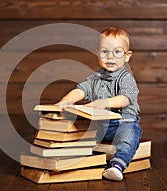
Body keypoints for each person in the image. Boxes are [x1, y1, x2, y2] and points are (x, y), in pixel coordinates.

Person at [56, 26, 142, 181]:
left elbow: (125, 98)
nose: (110, 57)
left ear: (127, 56)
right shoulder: (95, 79)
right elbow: (81, 90)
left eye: (117, 52)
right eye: (104, 52)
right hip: (102, 125)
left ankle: (117, 166)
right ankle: (73, 161)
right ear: (97, 54)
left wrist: (104, 102)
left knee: (128, 139)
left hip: (124, 123)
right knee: (82, 135)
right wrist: (66, 100)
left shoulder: (126, 78)